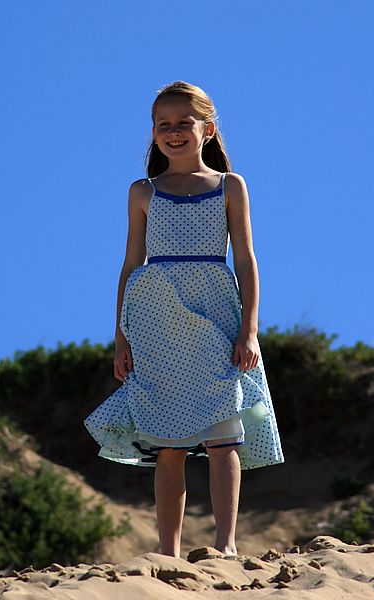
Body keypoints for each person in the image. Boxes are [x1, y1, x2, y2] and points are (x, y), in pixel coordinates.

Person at [83, 81, 284, 559]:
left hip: (216, 314)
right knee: (167, 444)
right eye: (163, 124)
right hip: (154, 321)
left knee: (222, 434)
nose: (173, 132)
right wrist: (120, 339)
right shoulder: (142, 192)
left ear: (207, 130)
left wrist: (249, 329)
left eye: (184, 123)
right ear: (153, 133)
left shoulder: (230, 186)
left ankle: (226, 545)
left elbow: (247, 261)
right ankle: (167, 553)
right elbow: (131, 266)